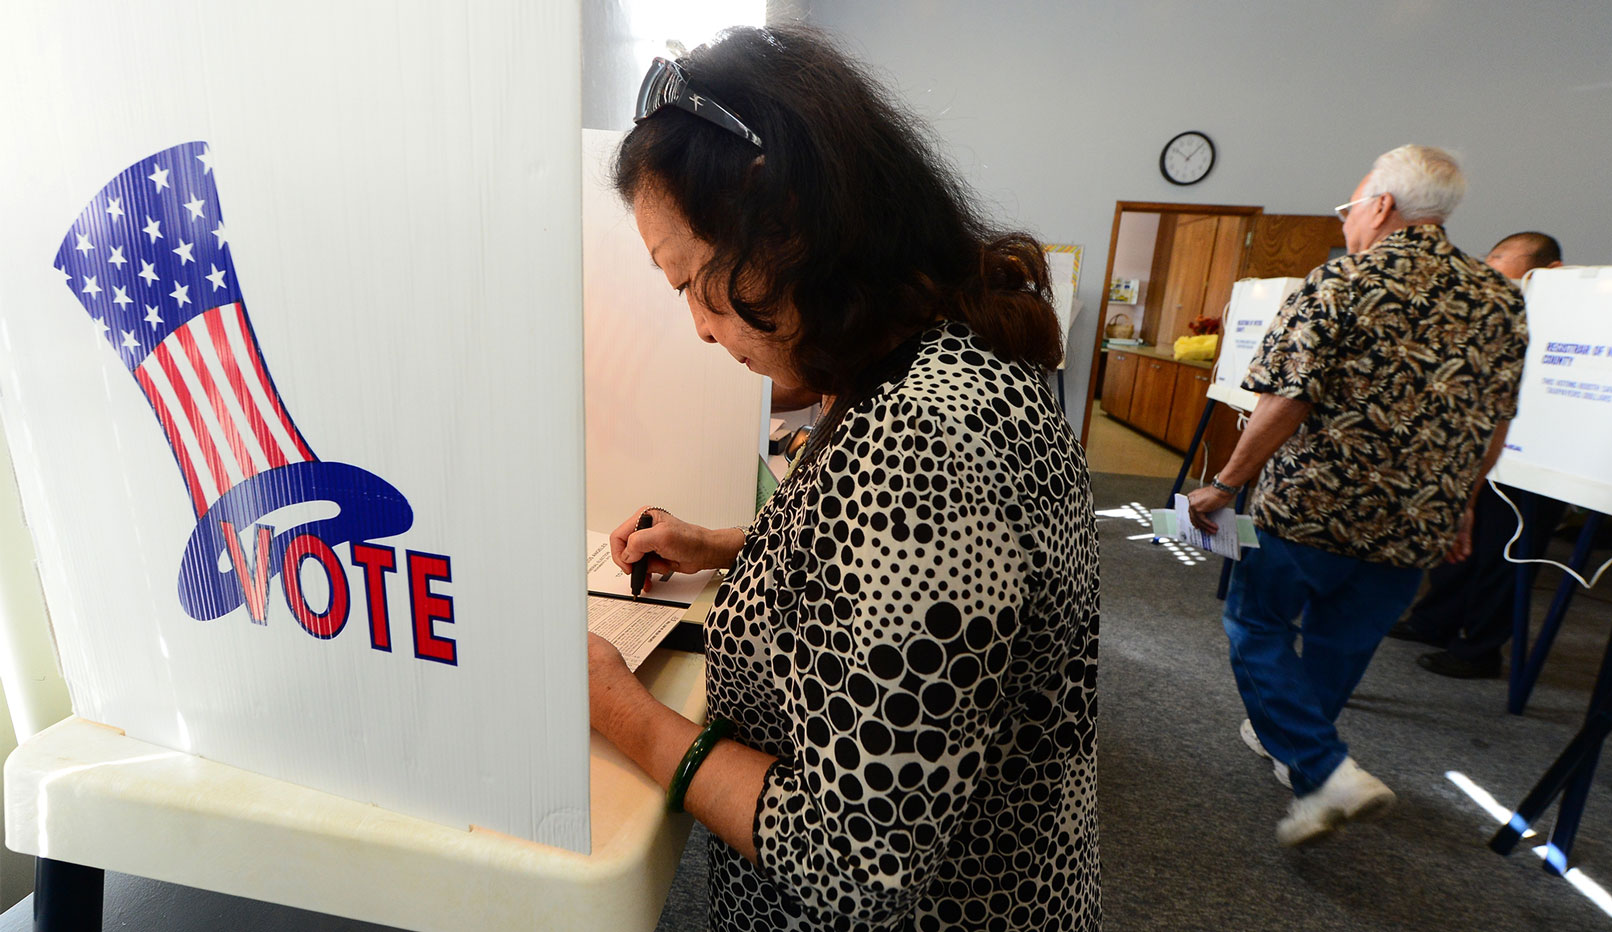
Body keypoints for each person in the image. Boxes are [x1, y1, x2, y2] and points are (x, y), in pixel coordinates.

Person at [585, 25, 1100, 931]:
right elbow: (905, 573)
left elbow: (851, 858)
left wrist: (618, 707)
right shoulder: (943, 370)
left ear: (784, 227)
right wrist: (724, 544)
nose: (702, 329)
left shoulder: (927, 439)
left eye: (691, 281)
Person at [1186, 145, 1528, 846]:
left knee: (1256, 627)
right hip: (1416, 520)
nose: (1346, 223)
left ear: (1380, 207)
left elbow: (1285, 401)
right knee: (1344, 642)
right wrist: (1461, 502)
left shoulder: (1343, 280)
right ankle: (1303, 755)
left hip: (1315, 507)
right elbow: (1495, 421)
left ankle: (1321, 767)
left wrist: (1225, 483)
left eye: (1349, 209)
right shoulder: (1498, 298)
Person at [1389, 232, 1567, 679]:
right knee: (1463, 540)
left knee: (1505, 553)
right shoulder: (1495, 312)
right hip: (1483, 448)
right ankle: (1434, 621)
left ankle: (1480, 649)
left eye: (1502, 260)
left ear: (1549, 273)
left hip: (1538, 455)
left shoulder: (1570, 316)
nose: (1490, 270)